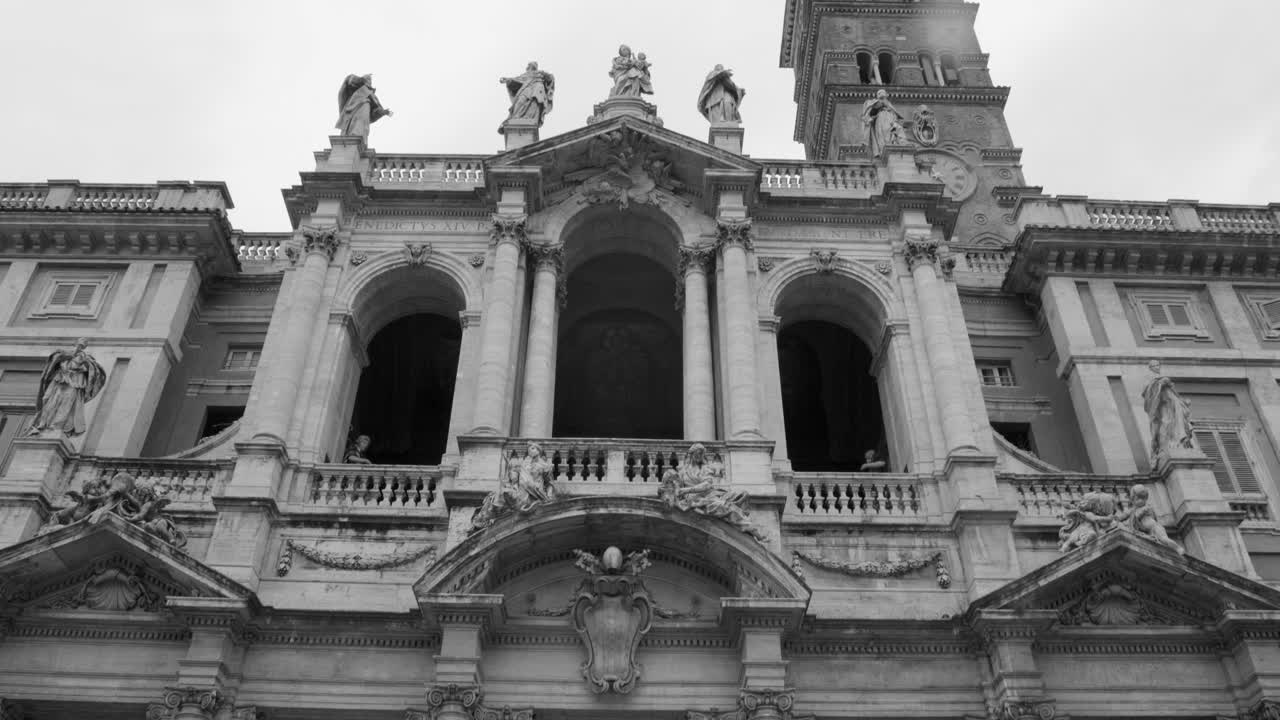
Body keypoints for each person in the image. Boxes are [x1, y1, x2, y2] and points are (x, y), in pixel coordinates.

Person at [29, 338, 106, 437]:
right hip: (58, 382)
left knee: (66, 404)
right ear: (75, 343)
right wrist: (66, 356)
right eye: (79, 344)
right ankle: (42, 424)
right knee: (48, 400)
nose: (80, 346)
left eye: (83, 345)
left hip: (74, 384)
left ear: (85, 347)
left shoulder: (86, 358)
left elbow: (95, 371)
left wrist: (85, 363)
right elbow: (54, 361)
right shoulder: (62, 353)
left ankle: (55, 426)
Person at [1141, 360, 1193, 460]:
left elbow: (1173, 391)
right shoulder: (1149, 379)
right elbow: (1146, 393)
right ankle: (1164, 447)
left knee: (1178, 421)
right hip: (1161, 405)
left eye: (1157, 365)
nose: (1156, 367)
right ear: (1150, 368)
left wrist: (1182, 400)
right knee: (1165, 423)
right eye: (1153, 366)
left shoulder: (1163, 377)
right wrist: (1158, 384)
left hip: (1173, 403)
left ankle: (1178, 443)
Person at [1115, 484, 1183, 554]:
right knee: (1162, 543)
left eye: (1142, 499)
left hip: (1155, 528)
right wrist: (1116, 519)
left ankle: (1177, 548)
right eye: (1137, 499)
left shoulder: (1146, 508)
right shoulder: (1134, 510)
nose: (1139, 501)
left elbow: (1137, 516)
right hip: (1149, 531)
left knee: (1164, 539)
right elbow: (1122, 517)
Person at [335, 74, 393, 139]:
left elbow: (375, 110)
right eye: (368, 79)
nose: (369, 81)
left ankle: (358, 139)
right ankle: (351, 137)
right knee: (352, 124)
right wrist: (361, 80)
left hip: (365, 107)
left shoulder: (370, 93)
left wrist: (383, 112)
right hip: (353, 108)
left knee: (362, 125)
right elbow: (349, 81)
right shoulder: (356, 87)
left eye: (370, 80)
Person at [500, 62, 555, 127]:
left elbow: (549, 78)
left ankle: (528, 117)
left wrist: (549, 78)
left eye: (534, 65)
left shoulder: (540, 73)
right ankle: (516, 117)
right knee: (519, 102)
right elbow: (516, 79)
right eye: (530, 65)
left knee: (534, 104)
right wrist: (507, 80)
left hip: (537, 89)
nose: (532, 66)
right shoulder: (525, 75)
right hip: (526, 90)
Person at [860, 89, 906, 158]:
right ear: (877, 95)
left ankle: (893, 144)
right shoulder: (874, 102)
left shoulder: (889, 104)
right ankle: (883, 150)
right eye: (879, 93)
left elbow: (895, 114)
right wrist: (880, 104)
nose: (881, 94)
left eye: (883, 93)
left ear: (886, 95)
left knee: (893, 131)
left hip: (890, 119)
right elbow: (870, 111)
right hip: (880, 119)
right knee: (883, 133)